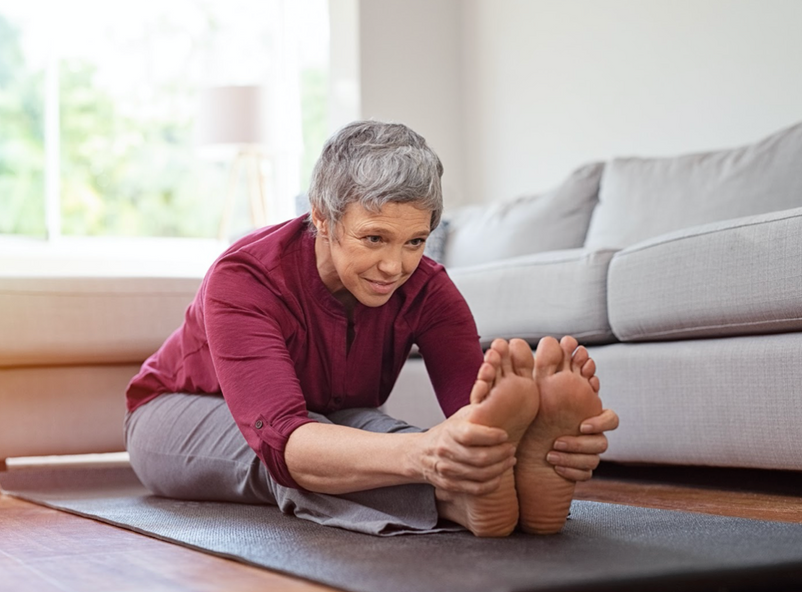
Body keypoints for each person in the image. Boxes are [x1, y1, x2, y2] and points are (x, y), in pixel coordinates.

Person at [124, 120, 619, 537]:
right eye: (374, 238)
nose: (394, 266)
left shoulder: (429, 288)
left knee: (386, 436)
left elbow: (476, 416)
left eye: (414, 241)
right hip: (182, 412)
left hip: (328, 416)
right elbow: (284, 439)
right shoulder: (245, 278)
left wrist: (536, 444)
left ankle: (480, 489)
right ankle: (451, 501)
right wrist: (427, 454)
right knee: (309, 459)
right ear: (322, 218)